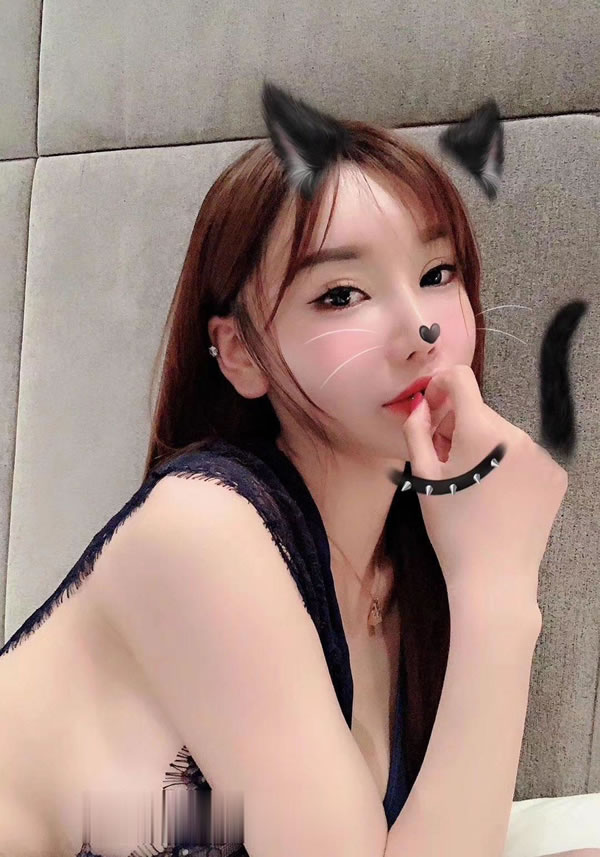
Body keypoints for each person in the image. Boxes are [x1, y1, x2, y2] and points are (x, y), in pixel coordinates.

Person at [0, 81, 596, 857]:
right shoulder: (203, 529)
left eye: (436, 274)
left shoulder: (405, 567)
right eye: (341, 294)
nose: (418, 329)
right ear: (241, 352)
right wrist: (498, 592)